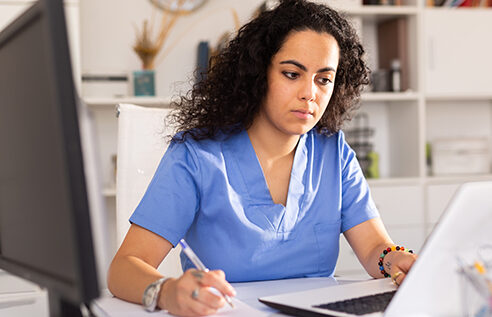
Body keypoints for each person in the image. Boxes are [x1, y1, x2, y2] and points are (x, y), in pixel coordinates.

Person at [107, 0, 417, 316]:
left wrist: (397, 259)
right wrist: (167, 291)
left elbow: (375, 249)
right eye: (292, 73)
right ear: (258, 73)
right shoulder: (197, 155)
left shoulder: (333, 153)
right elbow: (124, 269)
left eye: (323, 79)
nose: (309, 93)